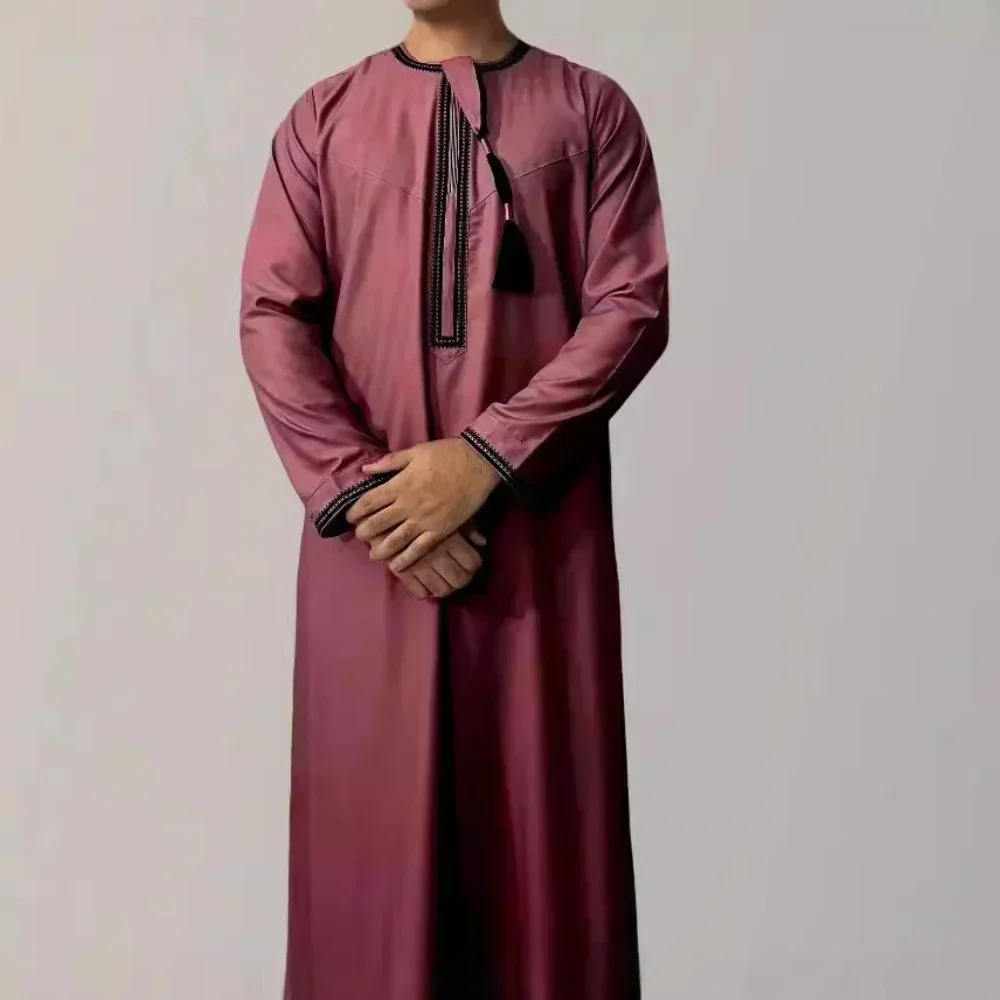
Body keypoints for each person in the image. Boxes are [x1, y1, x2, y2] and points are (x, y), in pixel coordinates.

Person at [239, 0, 669, 995]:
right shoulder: (324, 118)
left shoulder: (590, 111)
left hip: (534, 544)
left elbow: (631, 307)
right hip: (371, 560)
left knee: (540, 848)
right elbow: (272, 318)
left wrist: (483, 459)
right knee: (367, 853)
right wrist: (370, 499)